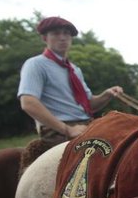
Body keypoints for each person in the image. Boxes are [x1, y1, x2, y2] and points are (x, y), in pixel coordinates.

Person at [18, 16, 123, 146]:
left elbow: (89, 105)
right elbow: (28, 103)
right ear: (45, 38)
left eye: (66, 33)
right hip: (57, 130)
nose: (62, 37)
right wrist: (67, 129)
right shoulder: (36, 64)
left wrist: (106, 95)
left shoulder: (74, 69)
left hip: (86, 124)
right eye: (56, 33)